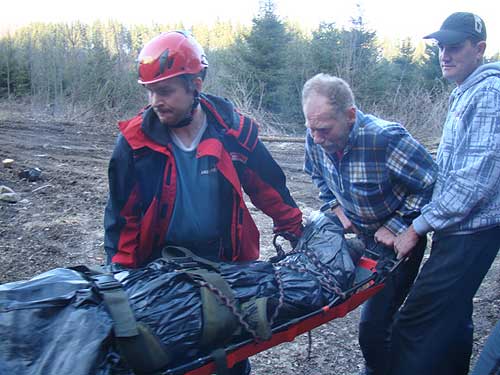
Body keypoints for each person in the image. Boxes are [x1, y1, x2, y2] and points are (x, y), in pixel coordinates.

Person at [103, 31, 303, 375]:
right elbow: (123, 218)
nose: (154, 100)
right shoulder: (134, 142)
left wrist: (295, 229)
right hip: (160, 263)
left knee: (230, 349)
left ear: (195, 85)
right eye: (150, 90)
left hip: (223, 260)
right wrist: (122, 277)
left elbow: (268, 186)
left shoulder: (234, 130)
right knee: (172, 352)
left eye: (164, 91)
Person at [301, 73, 437, 375]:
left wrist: (400, 224)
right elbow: (316, 173)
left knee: (374, 329)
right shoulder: (314, 135)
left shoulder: (385, 139)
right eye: (312, 130)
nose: (318, 139)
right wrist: (335, 205)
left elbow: (432, 183)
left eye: (324, 130)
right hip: (359, 232)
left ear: (350, 116)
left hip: (396, 238)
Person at [391, 12, 500, 375]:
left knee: (414, 324)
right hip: (459, 227)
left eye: (454, 47)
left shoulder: (489, 93)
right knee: (453, 318)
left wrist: (418, 226)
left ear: (479, 48)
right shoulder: (465, 92)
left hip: (472, 232)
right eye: (441, 47)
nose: (444, 55)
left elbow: (475, 180)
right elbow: (450, 168)